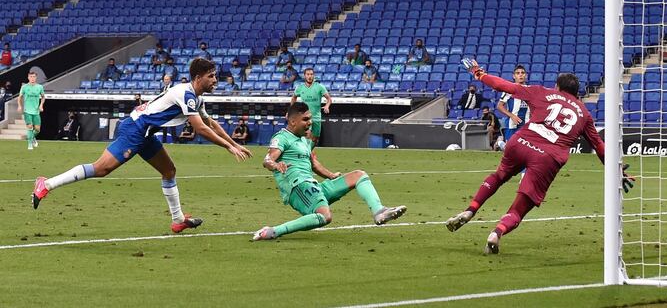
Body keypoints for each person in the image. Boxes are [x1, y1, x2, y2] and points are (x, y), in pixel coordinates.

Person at [31, 58, 253, 234]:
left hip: (145, 133)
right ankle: (46, 184)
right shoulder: (186, 94)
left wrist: (235, 143)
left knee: (169, 171)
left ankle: (178, 220)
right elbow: (200, 129)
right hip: (135, 129)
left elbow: (210, 123)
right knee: (101, 169)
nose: (215, 80)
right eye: (211, 76)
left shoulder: (196, 97)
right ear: (198, 78)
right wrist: (228, 147)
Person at [445, 63, 635, 254]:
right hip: (547, 157)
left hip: (521, 141)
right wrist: (617, 170)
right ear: (576, 93)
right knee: (520, 207)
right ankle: (497, 232)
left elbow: (503, 86)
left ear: (557, 87)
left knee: (499, 176)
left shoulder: (541, 92)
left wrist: (479, 74)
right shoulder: (584, 114)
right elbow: (599, 146)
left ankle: (471, 209)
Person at [252, 102, 406, 241]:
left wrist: (331, 175)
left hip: (313, 186)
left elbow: (314, 165)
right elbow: (267, 160)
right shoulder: (282, 137)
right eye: (305, 119)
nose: (310, 122)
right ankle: (273, 231)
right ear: (293, 121)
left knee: (359, 175)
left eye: (310, 119)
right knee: (325, 217)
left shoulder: (304, 141)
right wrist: (275, 165)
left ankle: (379, 211)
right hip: (298, 188)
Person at [290, 68, 331, 146]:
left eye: (311, 74)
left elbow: (329, 99)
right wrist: (291, 111)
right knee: (307, 135)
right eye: (308, 74)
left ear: (314, 76)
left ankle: (308, 153)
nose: (310, 76)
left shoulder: (319, 87)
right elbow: (293, 98)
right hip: (305, 117)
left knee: (315, 139)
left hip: (316, 117)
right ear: (304, 76)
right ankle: (305, 154)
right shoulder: (300, 87)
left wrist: (327, 106)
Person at [497, 65, 530, 142]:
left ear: (526, 75)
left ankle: (500, 143)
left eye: (522, 73)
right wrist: (512, 116)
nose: (520, 75)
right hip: (512, 124)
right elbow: (499, 106)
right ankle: (501, 144)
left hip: (526, 124)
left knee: (525, 150)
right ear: (514, 76)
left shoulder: (530, 90)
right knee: (510, 149)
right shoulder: (509, 89)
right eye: (518, 73)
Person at [18, 70, 45, 150]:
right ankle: (29, 144)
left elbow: (43, 97)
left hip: (36, 111)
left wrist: (41, 105)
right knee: (29, 127)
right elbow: (19, 97)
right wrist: (19, 106)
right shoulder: (24, 87)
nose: (32, 78)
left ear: (36, 78)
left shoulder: (40, 87)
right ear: (28, 77)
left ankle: (32, 138)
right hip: (27, 111)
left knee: (37, 129)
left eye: (34, 77)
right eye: (31, 77)